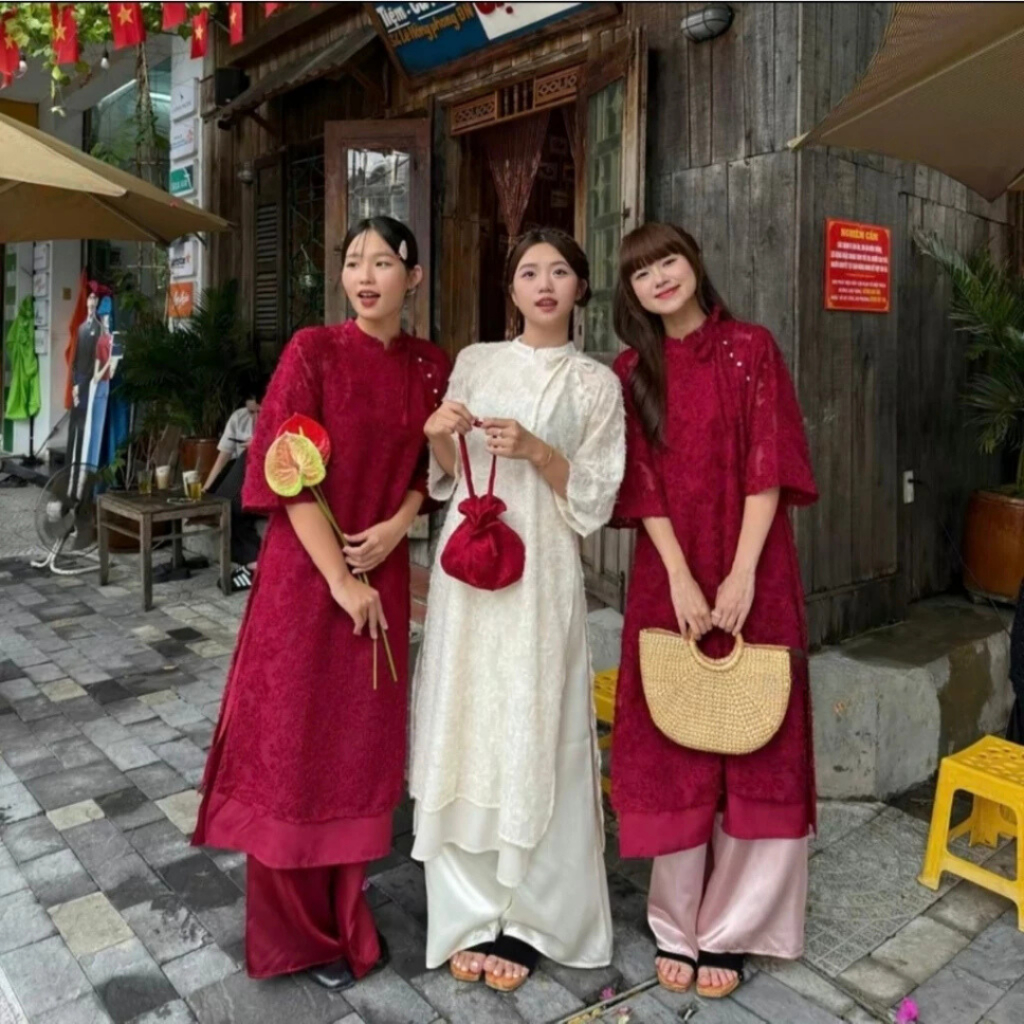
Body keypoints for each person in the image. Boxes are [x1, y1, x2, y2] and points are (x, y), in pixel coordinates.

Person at [193, 216, 450, 989]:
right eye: (353, 261)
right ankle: (294, 937)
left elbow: (430, 474)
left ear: (414, 276)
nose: (365, 276)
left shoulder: (432, 368)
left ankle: (346, 915)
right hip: (306, 583)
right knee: (294, 747)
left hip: (382, 571)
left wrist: (398, 528)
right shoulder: (313, 351)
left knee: (357, 747)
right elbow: (281, 473)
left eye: (383, 262)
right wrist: (340, 580)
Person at [410, 228, 625, 992]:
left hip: (542, 571)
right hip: (469, 567)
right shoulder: (475, 361)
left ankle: (535, 917)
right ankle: (468, 908)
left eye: (560, 271)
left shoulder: (596, 384)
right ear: (511, 288)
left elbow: (595, 497)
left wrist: (538, 450)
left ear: (580, 287)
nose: (544, 284)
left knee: (537, 719)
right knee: (468, 713)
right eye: (529, 272)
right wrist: (439, 437)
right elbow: (449, 472)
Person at [609, 222, 818, 1000]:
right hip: (669, 573)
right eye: (641, 272)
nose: (659, 278)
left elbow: (770, 464)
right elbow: (639, 483)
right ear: (630, 292)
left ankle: (733, 927)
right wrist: (681, 577)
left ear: (694, 262)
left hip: (754, 567)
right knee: (678, 734)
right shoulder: (632, 371)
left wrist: (741, 575)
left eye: (668, 261)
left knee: (761, 734)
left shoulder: (752, 348)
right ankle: (676, 922)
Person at [203, 387, 266, 592]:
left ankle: (255, 564)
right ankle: (251, 563)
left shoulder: (281, 421)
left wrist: (262, 445)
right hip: (241, 482)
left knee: (247, 458)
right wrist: (205, 490)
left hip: (268, 484)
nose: (255, 418)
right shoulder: (239, 418)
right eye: (251, 412)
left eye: (260, 411)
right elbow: (222, 458)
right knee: (224, 497)